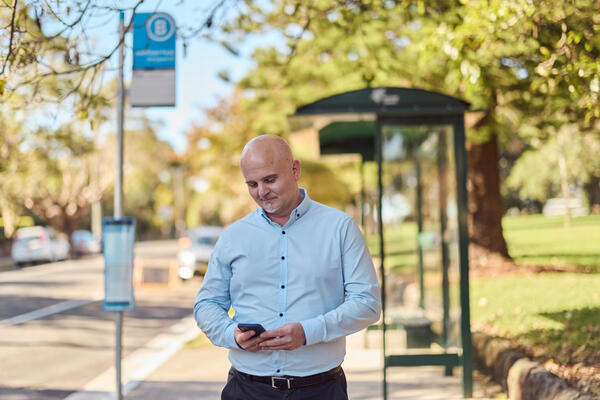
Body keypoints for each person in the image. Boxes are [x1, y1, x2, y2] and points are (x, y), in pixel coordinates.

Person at [194, 134, 381, 400]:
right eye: (252, 184)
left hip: (321, 390)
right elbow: (207, 304)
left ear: (295, 170)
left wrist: (307, 333)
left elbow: (367, 304)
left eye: (270, 180)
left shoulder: (340, 228)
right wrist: (231, 335)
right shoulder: (233, 236)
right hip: (246, 390)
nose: (261, 191)